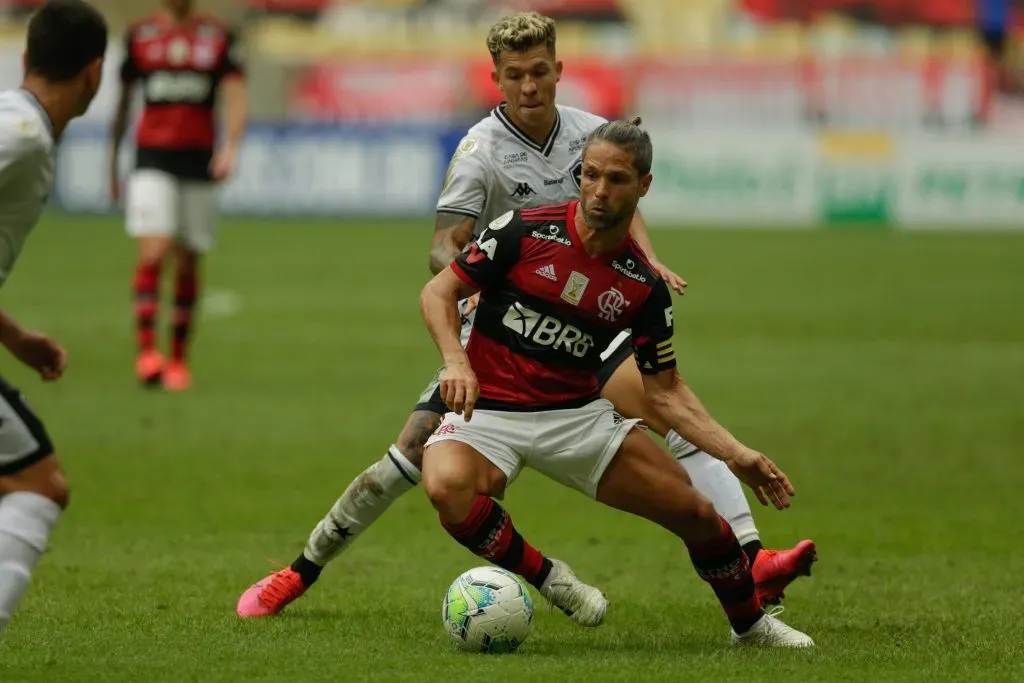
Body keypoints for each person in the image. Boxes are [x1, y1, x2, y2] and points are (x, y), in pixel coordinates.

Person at [237, 11, 813, 619]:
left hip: (584, 329)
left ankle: (752, 560)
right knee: (406, 459)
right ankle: (300, 571)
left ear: (558, 70)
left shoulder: (590, 133)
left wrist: (647, 260)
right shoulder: (480, 151)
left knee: (671, 407)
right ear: (497, 79)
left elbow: (620, 204)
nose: (529, 86)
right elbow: (443, 245)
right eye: (515, 75)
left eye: (539, 71)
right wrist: (472, 285)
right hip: (506, 332)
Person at [420, 118, 813, 647]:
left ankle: (752, 627)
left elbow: (665, 392)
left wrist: (736, 453)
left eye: (617, 179)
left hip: (575, 417)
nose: (600, 191)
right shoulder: (522, 230)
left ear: (644, 185)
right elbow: (438, 293)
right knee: (446, 486)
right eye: (590, 175)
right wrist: (456, 361)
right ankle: (552, 580)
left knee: (698, 514)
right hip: (488, 410)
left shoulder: (643, 286)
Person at [0, 0, 107, 637]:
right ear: (94, 73)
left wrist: (13, 336)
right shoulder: (22, 134)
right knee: (39, 486)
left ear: (25, 57)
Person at [109, 0, 247, 391]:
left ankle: (178, 360)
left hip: (198, 161)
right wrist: (112, 159)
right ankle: (147, 352)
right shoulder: (140, 36)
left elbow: (236, 95)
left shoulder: (218, 37)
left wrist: (230, 146)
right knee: (154, 251)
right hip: (151, 158)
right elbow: (124, 102)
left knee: (188, 260)